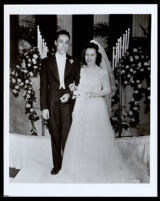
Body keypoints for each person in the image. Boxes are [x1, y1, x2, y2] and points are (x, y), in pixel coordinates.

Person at [52, 41, 149, 183]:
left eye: (92, 55)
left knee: (96, 137)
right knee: (81, 137)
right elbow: (78, 88)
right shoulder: (81, 70)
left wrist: (94, 93)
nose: (89, 57)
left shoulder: (102, 72)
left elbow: (108, 90)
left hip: (96, 106)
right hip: (82, 105)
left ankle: (98, 167)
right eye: (87, 55)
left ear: (97, 56)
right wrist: (74, 88)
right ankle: (81, 168)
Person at [40, 30, 80, 175]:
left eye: (67, 42)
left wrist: (70, 95)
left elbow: (78, 83)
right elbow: (43, 86)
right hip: (52, 100)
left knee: (67, 134)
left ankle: (68, 164)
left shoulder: (74, 62)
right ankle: (57, 165)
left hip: (68, 102)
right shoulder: (46, 62)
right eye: (61, 41)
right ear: (56, 43)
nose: (64, 45)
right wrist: (44, 107)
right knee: (55, 134)